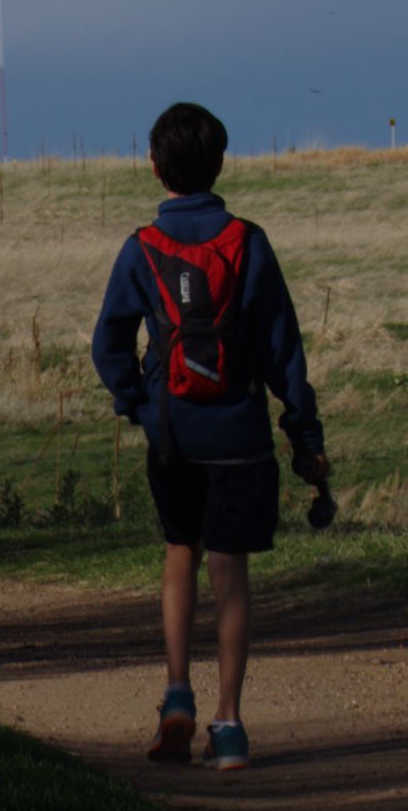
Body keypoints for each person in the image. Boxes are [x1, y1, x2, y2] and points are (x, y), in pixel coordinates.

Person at [91, 102, 327, 771]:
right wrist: (303, 430)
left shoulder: (140, 248)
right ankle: (228, 724)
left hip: (171, 433)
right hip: (240, 436)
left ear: (154, 165)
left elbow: (108, 343)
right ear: (219, 163)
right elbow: (284, 352)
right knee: (230, 572)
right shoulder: (248, 242)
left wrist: (137, 404)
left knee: (178, 554)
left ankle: (175, 696)